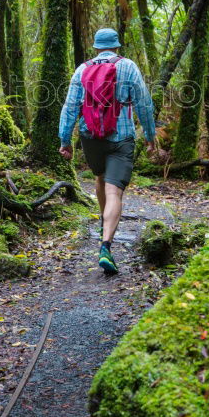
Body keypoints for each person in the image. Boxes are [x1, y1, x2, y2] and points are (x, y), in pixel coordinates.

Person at [58, 28, 157, 274]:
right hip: (121, 137)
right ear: (117, 46)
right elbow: (144, 103)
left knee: (100, 178)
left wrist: (65, 140)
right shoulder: (128, 66)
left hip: (90, 136)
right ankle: (106, 245)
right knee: (115, 191)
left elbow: (70, 107)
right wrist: (151, 137)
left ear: (96, 47)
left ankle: (105, 225)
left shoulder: (82, 69)